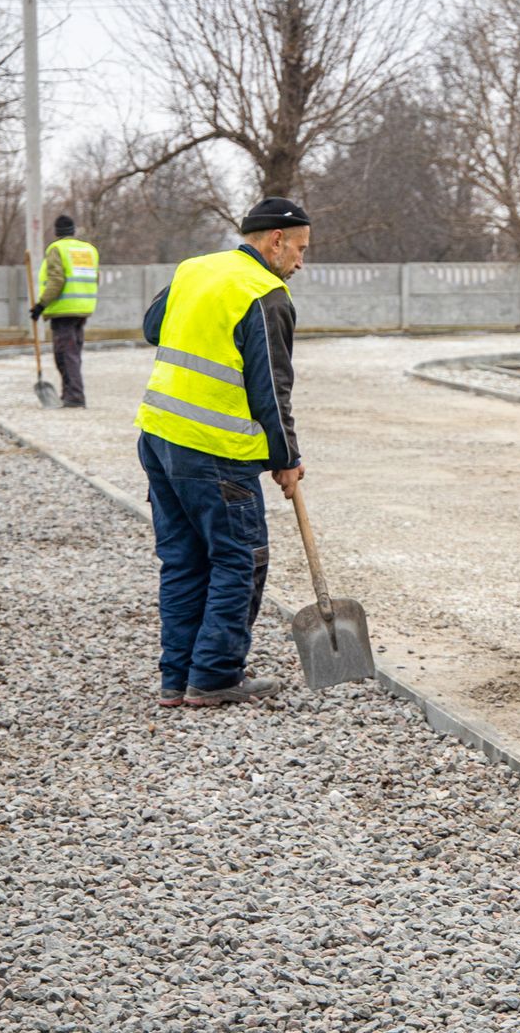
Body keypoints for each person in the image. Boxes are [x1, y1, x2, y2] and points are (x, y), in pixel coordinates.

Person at [136, 196, 309, 708]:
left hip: (159, 437)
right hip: (215, 452)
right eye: (299, 249)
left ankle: (177, 678)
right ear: (275, 241)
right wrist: (286, 459)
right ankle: (213, 676)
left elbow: (152, 329)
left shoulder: (196, 269)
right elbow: (272, 391)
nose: (301, 261)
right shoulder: (266, 294)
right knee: (239, 559)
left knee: (183, 560)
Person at [30, 214, 99, 409]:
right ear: (73, 230)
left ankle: (75, 397)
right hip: (84, 308)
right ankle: (70, 393)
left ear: (56, 232)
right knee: (73, 353)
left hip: (64, 309)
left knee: (65, 354)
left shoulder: (57, 249)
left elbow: (56, 280)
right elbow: (96, 278)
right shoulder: (89, 250)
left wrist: (40, 305)